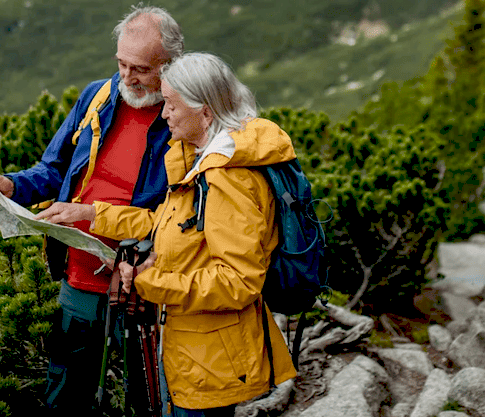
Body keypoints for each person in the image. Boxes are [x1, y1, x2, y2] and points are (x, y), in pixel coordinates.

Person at [36, 52, 298, 416]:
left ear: (205, 112)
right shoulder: (203, 161)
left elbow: (238, 281)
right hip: (196, 351)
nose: (163, 114)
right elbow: (169, 223)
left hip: (211, 361)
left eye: (172, 105)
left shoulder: (227, 177)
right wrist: (91, 214)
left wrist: (147, 281)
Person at [0, 5, 184, 413]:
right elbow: (53, 170)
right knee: (65, 393)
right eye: (121, 63)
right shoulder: (97, 97)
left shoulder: (182, 116)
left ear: (169, 66)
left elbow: (181, 213)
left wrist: (100, 221)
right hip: (79, 279)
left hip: (146, 286)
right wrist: (11, 185)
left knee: (150, 399)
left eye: (139, 68)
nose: (126, 76)